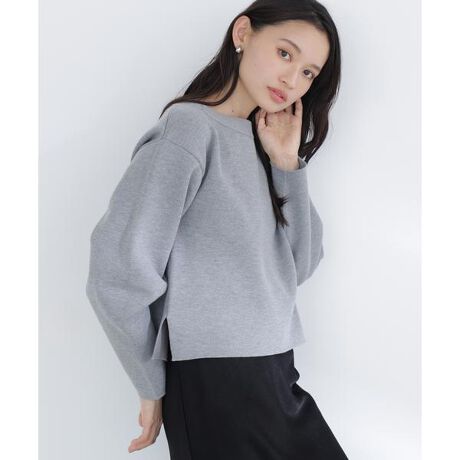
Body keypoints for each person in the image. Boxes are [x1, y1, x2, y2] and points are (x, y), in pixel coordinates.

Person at [85, 0, 348, 458]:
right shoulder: (189, 131)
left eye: (308, 72)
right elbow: (117, 273)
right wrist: (150, 384)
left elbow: (300, 265)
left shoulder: (265, 143)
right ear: (242, 33)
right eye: (285, 53)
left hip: (275, 369)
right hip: (216, 382)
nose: (292, 79)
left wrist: (287, 163)